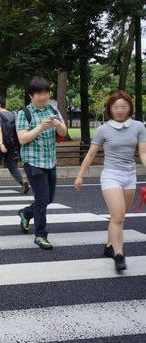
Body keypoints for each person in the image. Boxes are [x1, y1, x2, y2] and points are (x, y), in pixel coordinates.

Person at [74, 90, 146, 272]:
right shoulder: (103, 129)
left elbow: (143, 153)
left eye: (123, 106)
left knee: (120, 217)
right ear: (110, 109)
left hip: (130, 175)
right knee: (117, 216)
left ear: (129, 107)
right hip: (111, 175)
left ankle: (108, 246)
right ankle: (119, 254)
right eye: (116, 107)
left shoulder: (138, 127)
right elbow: (91, 154)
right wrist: (80, 175)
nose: (120, 110)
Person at [16, 77, 67, 250]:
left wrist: (58, 123)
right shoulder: (24, 113)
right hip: (32, 161)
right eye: (38, 93)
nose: (43, 96)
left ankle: (26, 213)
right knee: (42, 198)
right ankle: (40, 235)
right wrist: (40, 127)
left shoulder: (53, 109)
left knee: (48, 199)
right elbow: (22, 139)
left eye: (45, 93)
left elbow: (63, 132)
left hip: (50, 161)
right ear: (31, 95)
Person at [0, 96, 30, 194]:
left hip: (1, 145)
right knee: (12, 165)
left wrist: (1, 143)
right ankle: (22, 181)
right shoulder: (13, 114)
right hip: (12, 144)